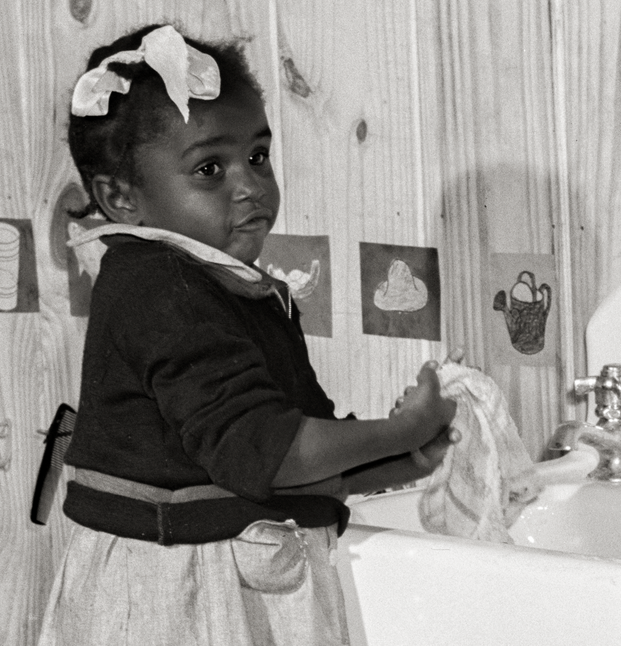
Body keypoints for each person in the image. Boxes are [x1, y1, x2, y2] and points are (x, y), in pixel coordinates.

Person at [38, 24, 458, 646]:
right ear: (120, 197)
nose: (251, 184)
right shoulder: (157, 286)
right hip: (171, 592)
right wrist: (397, 432)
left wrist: (394, 460)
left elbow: (280, 454)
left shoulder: (229, 286)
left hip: (216, 576)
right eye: (210, 168)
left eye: (258, 156)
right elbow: (267, 451)